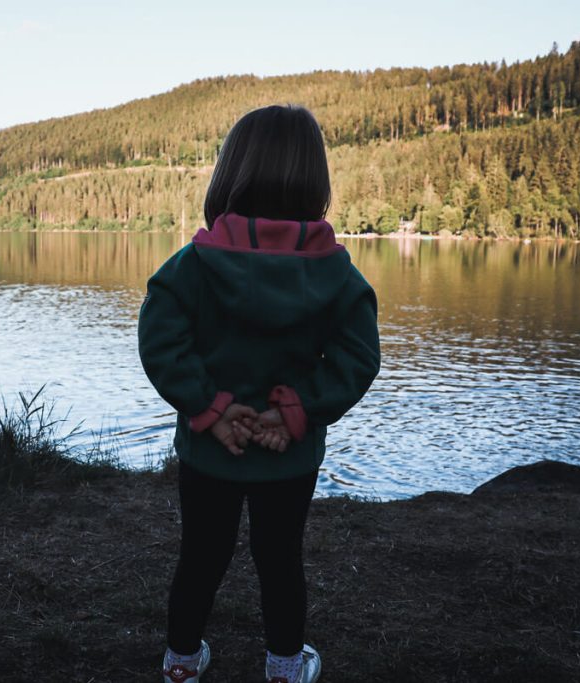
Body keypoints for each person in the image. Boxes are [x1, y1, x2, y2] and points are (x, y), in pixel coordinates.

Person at [138, 104, 380, 683]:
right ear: (314, 181)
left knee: (201, 556)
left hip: (209, 450)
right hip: (287, 453)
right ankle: (284, 668)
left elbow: (159, 336)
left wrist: (210, 408)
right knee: (280, 560)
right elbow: (357, 358)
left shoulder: (195, 263)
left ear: (232, 174)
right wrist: (294, 410)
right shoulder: (337, 273)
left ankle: (181, 664)